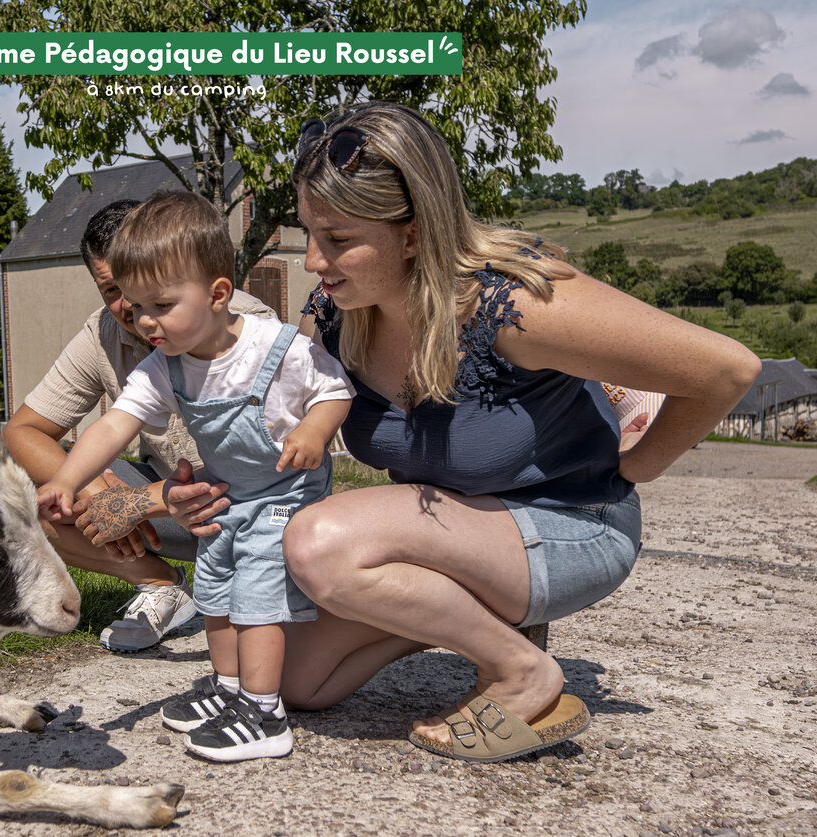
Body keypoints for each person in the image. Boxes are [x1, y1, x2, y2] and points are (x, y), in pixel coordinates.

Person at [166, 102, 760, 763]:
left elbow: (726, 369)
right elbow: (280, 427)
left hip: (574, 523)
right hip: (459, 535)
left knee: (318, 542)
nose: (312, 261)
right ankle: (486, 619)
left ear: (414, 234)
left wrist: (639, 466)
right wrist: (212, 490)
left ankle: (522, 670)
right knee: (296, 678)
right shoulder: (339, 316)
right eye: (308, 231)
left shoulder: (513, 303)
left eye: (336, 238)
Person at [37, 190, 354, 762]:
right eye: (134, 306)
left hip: (283, 494)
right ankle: (229, 688)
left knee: (256, 594)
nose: (144, 321)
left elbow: (333, 389)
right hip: (228, 496)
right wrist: (66, 479)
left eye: (159, 304)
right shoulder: (165, 363)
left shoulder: (273, 346)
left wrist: (313, 430)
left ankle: (264, 712)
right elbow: (112, 426)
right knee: (215, 589)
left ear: (217, 293)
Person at [1, 200, 277, 652]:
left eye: (151, 290)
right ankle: (162, 585)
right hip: (174, 508)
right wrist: (95, 492)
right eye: (113, 289)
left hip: (253, 514)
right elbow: (22, 432)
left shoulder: (249, 332)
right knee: (30, 499)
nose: (133, 308)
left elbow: (262, 464)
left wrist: (136, 501)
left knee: (293, 679)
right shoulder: (109, 336)